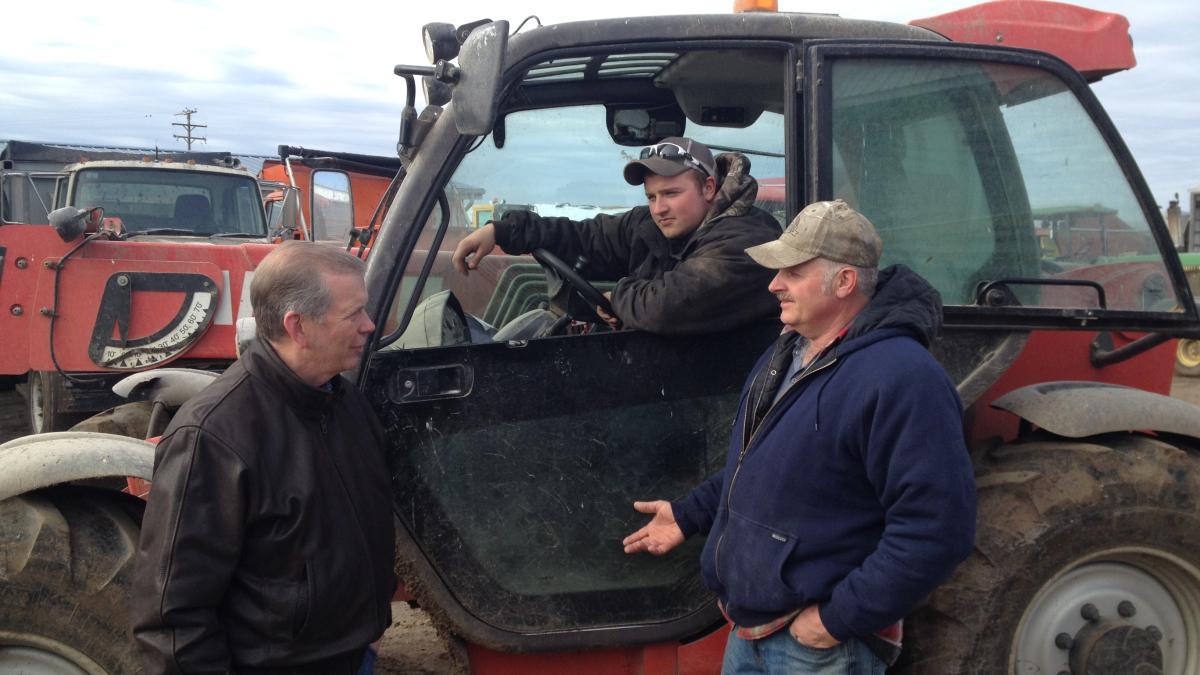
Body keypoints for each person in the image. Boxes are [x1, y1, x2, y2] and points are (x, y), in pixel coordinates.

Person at [622, 200, 976, 674]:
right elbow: (766, 461)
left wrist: (836, 619)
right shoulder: (789, 353)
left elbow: (936, 528)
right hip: (752, 633)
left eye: (792, 272)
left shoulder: (902, 378)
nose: (773, 285)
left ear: (844, 281)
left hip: (818, 647)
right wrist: (690, 514)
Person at [131, 241, 396, 675]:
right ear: (298, 327)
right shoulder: (214, 436)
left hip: (353, 654)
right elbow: (172, 617)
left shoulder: (343, 402)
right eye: (354, 315)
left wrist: (369, 623)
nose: (370, 326)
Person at [451, 136, 781, 334]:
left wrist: (618, 299)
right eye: (652, 197)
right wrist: (503, 231)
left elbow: (677, 301)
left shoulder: (747, 239)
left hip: (715, 391)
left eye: (671, 193)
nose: (659, 208)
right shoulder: (652, 228)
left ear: (709, 188)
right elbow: (586, 238)